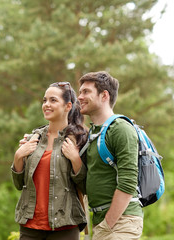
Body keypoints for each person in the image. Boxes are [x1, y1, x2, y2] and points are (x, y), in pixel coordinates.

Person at [11, 82, 88, 240]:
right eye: (44, 100)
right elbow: (19, 184)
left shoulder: (79, 139)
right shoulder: (35, 138)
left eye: (53, 100)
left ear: (67, 106)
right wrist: (18, 156)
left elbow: (86, 187)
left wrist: (76, 160)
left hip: (65, 225)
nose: (46, 104)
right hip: (30, 225)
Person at [77, 71, 143, 240]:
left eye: (86, 92)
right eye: (80, 92)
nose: (80, 97)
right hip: (102, 222)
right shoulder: (93, 133)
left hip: (121, 222)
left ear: (104, 95)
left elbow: (128, 182)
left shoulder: (121, 128)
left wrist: (108, 223)